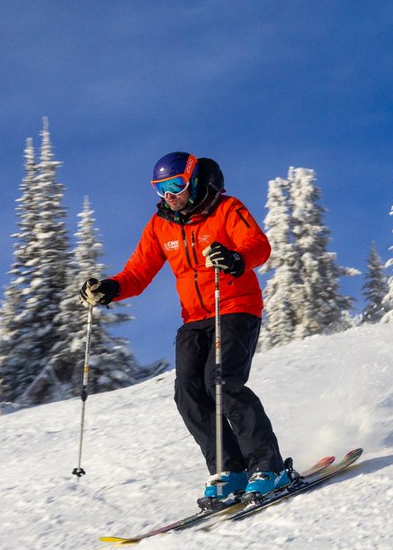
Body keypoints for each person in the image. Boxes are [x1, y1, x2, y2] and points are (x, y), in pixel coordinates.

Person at [78, 152, 292, 506]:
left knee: (222, 382)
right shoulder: (161, 224)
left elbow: (258, 245)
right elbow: (137, 272)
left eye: (176, 185)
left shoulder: (226, 209)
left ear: (193, 180)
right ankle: (230, 469)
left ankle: (268, 467)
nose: (169, 195)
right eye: (161, 189)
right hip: (194, 317)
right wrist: (109, 288)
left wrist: (236, 258)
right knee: (188, 392)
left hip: (235, 307)